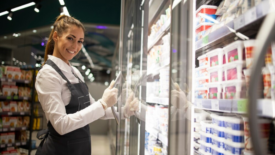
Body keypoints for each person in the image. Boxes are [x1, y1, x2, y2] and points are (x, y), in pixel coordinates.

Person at [35, 15, 138, 155]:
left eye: (80, 41)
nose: (75, 46)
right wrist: (102, 104)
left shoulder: (75, 71)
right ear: (56, 36)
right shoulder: (47, 74)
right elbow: (61, 125)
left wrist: (124, 112)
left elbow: (93, 109)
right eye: (70, 38)